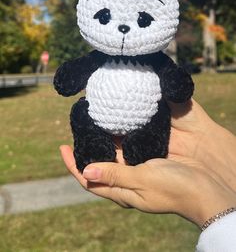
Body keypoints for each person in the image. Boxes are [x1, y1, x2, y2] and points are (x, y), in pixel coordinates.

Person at [60, 99, 236, 251]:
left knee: (157, 114)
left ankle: (143, 146)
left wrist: (210, 206)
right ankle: (95, 145)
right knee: (81, 110)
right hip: (100, 111)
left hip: (147, 118)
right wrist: (222, 154)